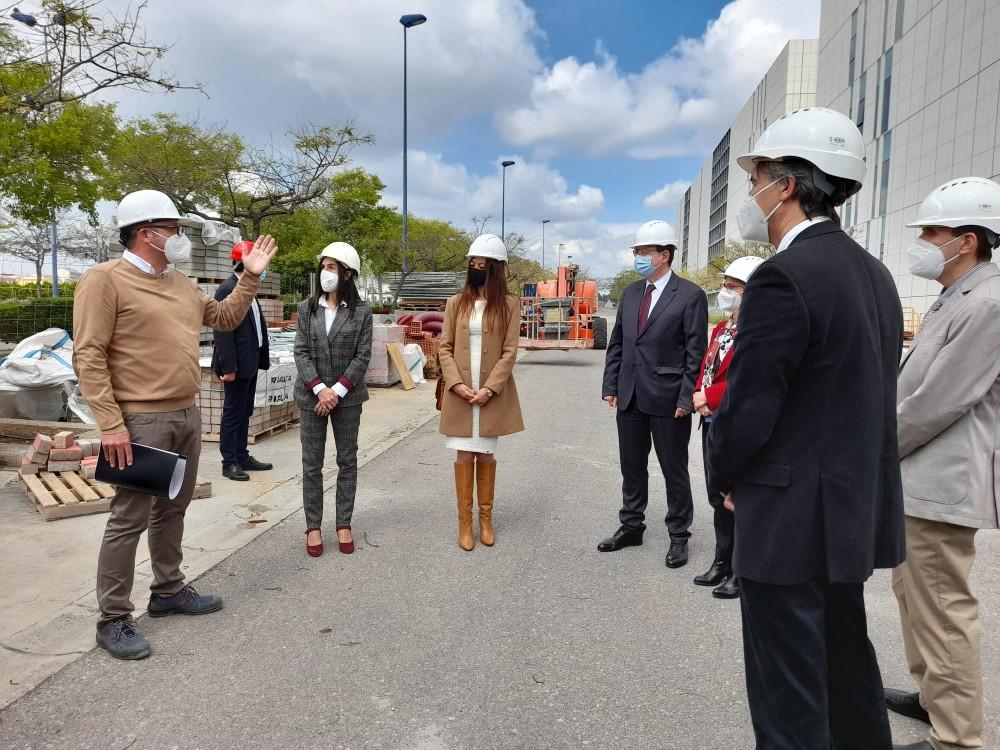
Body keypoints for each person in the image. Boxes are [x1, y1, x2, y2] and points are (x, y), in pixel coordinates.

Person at [704, 107, 905, 748]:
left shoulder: (783, 276)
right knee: (846, 675)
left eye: (755, 179)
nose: (752, 195)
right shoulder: (874, 273)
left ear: (786, 185)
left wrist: (725, 477)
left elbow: (751, 405)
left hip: (788, 518)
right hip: (847, 514)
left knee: (789, 699)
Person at [73, 189, 277, 660]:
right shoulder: (105, 280)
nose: (180, 236)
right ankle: (113, 618)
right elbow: (89, 355)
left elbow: (224, 316)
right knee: (129, 518)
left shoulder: (180, 282)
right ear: (147, 234)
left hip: (186, 414)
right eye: (173, 229)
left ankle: (168, 591)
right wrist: (110, 424)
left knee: (173, 508)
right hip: (140, 421)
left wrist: (249, 276)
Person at [885, 177, 1000, 750]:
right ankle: (934, 697)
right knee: (917, 601)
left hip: (940, 482)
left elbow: (938, 401)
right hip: (920, 478)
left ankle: (955, 740)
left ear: (968, 240)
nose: (923, 243)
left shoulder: (987, 303)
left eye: (932, 232)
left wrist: (874, 452)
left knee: (941, 609)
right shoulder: (958, 295)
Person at [598, 220, 707, 569]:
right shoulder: (631, 293)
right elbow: (618, 343)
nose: (638, 257)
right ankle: (632, 525)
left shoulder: (689, 295)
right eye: (636, 252)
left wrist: (686, 398)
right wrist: (611, 385)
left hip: (668, 399)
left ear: (664, 255)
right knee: (632, 466)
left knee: (674, 470)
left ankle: (679, 535)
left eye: (643, 252)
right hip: (630, 394)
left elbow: (695, 354)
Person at [438, 234, 523, 551]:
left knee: (485, 454)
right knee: (464, 455)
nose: (476, 269)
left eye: (482, 264)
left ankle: (485, 520)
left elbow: (510, 352)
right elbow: (444, 348)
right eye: (473, 264)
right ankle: (465, 524)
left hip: (490, 394)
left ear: (496, 268)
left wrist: (489, 388)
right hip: (460, 393)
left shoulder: (510, 304)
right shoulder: (455, 303)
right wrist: (456, 384)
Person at [690, 255, 764, 600]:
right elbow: (708, 367)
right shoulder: (723, 328)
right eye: (725, 286)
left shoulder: (760, 330)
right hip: (711, 420)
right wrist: (700, 394)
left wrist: (711, 397)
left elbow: (749, 378)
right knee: (717, 492)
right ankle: (721, 560)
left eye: (733, 287)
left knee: (739, 495)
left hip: (737, 419)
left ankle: (740, 569)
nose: (725, 292)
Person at [293, 242, 372, 558]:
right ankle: (313, 526)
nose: (325, 273)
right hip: (312, 396)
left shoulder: (362, 312)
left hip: (347, 397)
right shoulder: (306, 308)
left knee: (347, 460)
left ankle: (343, 523)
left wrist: (336, 391)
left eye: (331, 267)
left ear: (347, 274)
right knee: (311, 463)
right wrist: (319, 389)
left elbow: (362, 355)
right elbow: (301, 351)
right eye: (323, 267)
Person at [212, 240, 273, 481]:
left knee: (245, 411)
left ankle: (242, 455)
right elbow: (222, 331)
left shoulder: (247, 287)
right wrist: (229, 367)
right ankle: (229, 462)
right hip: (236, 365)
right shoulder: (228, 289)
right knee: (233, 413)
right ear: (242, 262)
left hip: (250, 361)